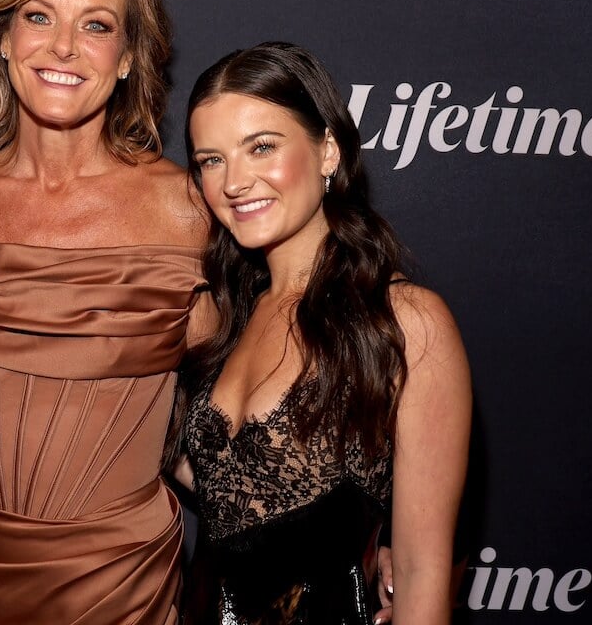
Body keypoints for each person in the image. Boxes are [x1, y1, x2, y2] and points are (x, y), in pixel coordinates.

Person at [0, 0, 211, 624]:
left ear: (130, 56)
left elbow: (239, 412)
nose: (63, 47)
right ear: (4, 39)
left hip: (124, 592)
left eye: (96, 25)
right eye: (38, 16)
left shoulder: (189, 212)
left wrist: (364, 533)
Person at [179, 42, 470, 624]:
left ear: (328, 149)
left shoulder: (405, 322)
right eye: (211, 160)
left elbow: (421, 575)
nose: (234, 181)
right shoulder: (222, 317)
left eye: (261, 147)